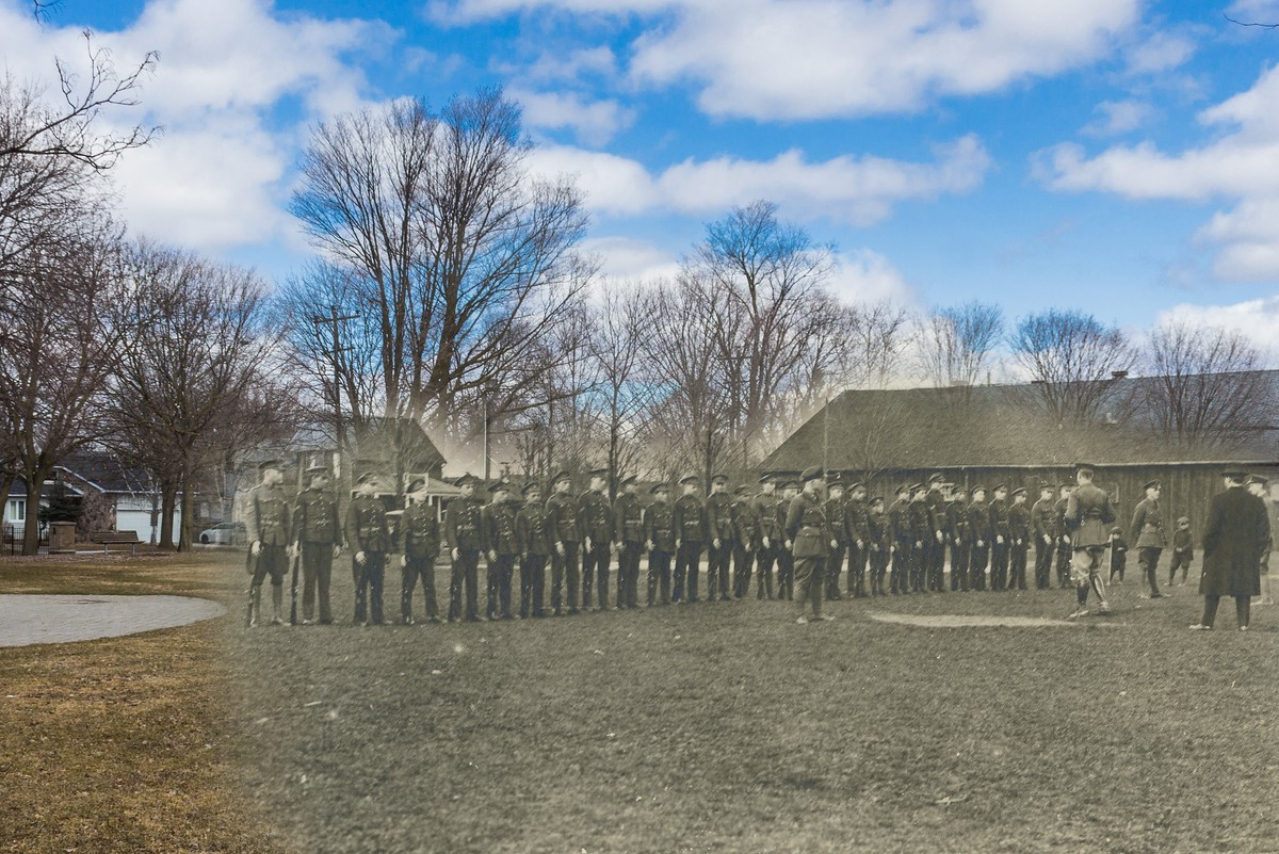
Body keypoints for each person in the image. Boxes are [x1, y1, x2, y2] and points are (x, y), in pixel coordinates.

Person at [1191, 471, 1270, 631]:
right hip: (1246, 553)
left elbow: (1210, 529)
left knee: (1213, 587)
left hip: (1220, 553)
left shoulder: (1219, 499)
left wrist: (1209, 548)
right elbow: (1264, 531)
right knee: (1244, 586)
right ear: (1243, 480)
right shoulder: (1256, 501)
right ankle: (1243, 624)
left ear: (1228, 480)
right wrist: (1256, 552)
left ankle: (1206, 622)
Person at [1064, 463, 1115, 619]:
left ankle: (1082, 607)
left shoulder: (1075, 493)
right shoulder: (1102, 493)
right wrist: (1098, 521)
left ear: (1079, 476)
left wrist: (1073, 526)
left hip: (1083, 535)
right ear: (1091, 477)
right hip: (1099, 536)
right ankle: (1104, 603)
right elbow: (1112, 516)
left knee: (1082, 573)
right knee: (1095, 572)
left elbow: (1071, 516)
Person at [291, 464, 341, 625]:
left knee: (325, 581)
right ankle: (308, 616)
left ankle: (326, 616)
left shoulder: (330, 497)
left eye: (326, 478)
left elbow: (336, 520)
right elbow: (298, 521)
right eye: (322, 478)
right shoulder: (303, 497)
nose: (325, 481)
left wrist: (338, 543)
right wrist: (296, 542)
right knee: (310, 579)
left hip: (326, 543)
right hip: (310, 543)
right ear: (313, 479)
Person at [787, 466, 836, 624]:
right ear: (812, 481)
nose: (823, 483)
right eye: (821, 480)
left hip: (821, 545)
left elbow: (824, 523)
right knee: (802, 580)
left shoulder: (819, 500)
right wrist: (801, 539)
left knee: (819, 580)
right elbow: (790, 526)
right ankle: (799, 614)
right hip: (805, 546)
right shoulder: (798, 500)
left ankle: (818, 612)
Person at [246, 460, 292, 628]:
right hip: (263, 542)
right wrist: (255, 541)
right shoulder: (255, 493)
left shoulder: (282, 494)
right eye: (278, 472)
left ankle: (277, 616)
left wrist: (288, 543)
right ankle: (255, 618)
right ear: (268, 472)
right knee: (257, 579)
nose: (281, 475)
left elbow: (288, 520)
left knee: (278, 578)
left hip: (279, 542)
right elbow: (250, 519)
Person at [346, 470, 391, 626]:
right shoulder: (355, 504)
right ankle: (360, 617)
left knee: (377, 585)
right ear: (363, 485)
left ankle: (378, 617)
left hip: (378, 549)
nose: (375, 487)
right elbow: (350, 529)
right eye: (372, 484)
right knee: (360, 585)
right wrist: (357, 551)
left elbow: (385, 528)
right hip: (363, 550)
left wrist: (387, 550)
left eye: (375, 484)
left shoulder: (379, 504)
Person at [399, 477, 441, 625]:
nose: (423, 494)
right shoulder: (408, 512)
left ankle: (433, 614)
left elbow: (436, 533)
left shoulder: (432, 510)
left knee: (430, 585)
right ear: (412, 494)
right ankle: (407, 615)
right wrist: (403, 554)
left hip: (428, 553)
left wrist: (437, 552)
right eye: (420, 491)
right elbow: (403, 534)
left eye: (425, 491)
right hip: (412, 553)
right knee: (408, 586)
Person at [444, 473, 485, 622]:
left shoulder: (476, 506)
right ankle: (454, 613)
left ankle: (472, 613)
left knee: (472, 581)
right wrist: (453, 547)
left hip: (473, 547)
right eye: (467, 487)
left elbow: (479, 528)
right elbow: (449, 528)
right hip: (460, 548)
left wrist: (480, 547)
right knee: (457, 581)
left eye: (472, 487)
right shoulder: (453, 506)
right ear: (460, 489)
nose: (470, 490)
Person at [546, 471, 581, 616]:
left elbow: (577, 523)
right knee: (558, 574)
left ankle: (572, 604)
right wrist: (557, 543)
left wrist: (578, 541)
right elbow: (551, 526)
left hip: (572, 539)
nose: (567, 486)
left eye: (569, 483)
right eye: (564, 483)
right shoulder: (552, 502)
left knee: (573, 574)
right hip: (560, 542)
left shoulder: (573, 501)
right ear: (556, 485)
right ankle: (556, 605)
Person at [482, 482, 519, 620]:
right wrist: (489, 550)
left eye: (506, 493)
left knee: (506, 581)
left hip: (508, 549)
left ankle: (505, 610)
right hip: (496, 549)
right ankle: (491, 611)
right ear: (494, 494)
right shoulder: (488, 510)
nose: (505, 496)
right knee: (493, 581)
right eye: (502, 493)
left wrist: (515, 550)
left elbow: (513, 531)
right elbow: (486, 533)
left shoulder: (509, 510)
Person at [579, 468, 613, 610]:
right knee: (588, 572)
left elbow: (610, 520)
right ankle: (587, 603)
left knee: (604, 572)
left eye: (604, 480)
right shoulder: (584, 498)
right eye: (600, 480)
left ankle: (603, 603)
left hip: (604, 539)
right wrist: (586, 539)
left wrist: (611, 540)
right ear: (593, 480)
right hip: (591, 539)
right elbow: (583, 520)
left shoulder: (606, 499)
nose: (603, 483)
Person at [514, 482, 550, 618]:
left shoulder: (543, 512)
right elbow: (520, 534)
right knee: (526, 582)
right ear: (526, 497)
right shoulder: (522, 514)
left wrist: (547, 552)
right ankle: (524, 610)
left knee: (539, 581)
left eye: (538, 495)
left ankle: (537, 609)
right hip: (529, 551)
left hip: (541, 550)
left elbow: (547, 532)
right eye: (533, 495)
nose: (537, 498)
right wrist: (523, 551)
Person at [1131, 480, 1167, 600]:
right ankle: (1142, 592)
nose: (1158, 492)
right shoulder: (1142, 506)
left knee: (1153, 566)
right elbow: (1135, 525)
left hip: (1157, 539)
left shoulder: (1157, 505)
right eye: (1156, 490)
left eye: (1159, 490)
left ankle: (1155, 592)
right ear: (1149, 491)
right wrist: (1140, 538)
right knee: (1144, 566)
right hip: (1146, 539)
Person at [673, 475, 705, 603]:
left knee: (694, 568)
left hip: (695, 540)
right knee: (680, 569)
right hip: (685, 540)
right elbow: (677, 523)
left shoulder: (698, 503)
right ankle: (678, 595)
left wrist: (702, 540)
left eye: (695, 487)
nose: (694, 489)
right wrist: (678, 537)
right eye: (692, 486)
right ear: (685, 486)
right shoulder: (679, 503)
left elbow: (701, 522)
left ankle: (693, 594)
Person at [613, 475, 644, 609]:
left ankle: (632, 600)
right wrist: (619, 540)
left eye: (637, 485)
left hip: (636, 539)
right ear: (627, 486)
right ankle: (622, 601)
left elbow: (639, 522)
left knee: (634, 571)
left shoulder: (636, 501)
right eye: (634, 485)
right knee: (624, 571)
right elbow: (619, 522)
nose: (637, 487)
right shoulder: (620, 501)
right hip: (626, 539)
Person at [644, 483, 675, 605]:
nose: (665, 496)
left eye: (666, 493)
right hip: (656, 544)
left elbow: (671, 526)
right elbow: (648, 527)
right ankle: (650, 599)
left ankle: (665, 597)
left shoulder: (669, 509)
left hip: (667, 543)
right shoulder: (650, 510)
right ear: (655, 495)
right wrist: (649, 540)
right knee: (653, 572)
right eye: (662, 493)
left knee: (666, 572)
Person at [705, 474, 734, 602]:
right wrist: (714, 537)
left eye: (723, 484)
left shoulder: (728, 498)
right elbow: (711, 520)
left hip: (727, 535)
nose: (721, 487)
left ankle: (724, 592)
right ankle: (711, 593)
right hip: (717, 536)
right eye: (718, 484)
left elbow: (730, 517)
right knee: (713, 565)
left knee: (725, 564)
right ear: (714, 485)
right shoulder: (711, 500)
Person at [1247, 475, 1275, 606]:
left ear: (1259, 485)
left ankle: (1266, 599)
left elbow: (1269, 523)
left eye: (1251, 486)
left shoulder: (1265, 501)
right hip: (1261, 539)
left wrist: (1263, 542)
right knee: (1260, 567)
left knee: (1261, 567)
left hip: (1264, 540)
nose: (1249, 489)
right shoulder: (1261, 500)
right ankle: (1265, 597)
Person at [753, 474, 781, 600]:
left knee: (770, 564)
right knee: (761, 564)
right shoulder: (758, 500)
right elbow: (758, 521)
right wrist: (764, 536)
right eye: (769, 484)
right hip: (762, 535)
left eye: (773, 484)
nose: (772, 486)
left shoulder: (775, 500)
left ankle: (769, 592)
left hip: (774, 535)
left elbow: (777, 520)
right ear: (763, 485)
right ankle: (760, 591)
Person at [730, 485, 760, 599]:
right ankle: (737, 591)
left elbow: (755, 525)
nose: (746, 498)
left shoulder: (750, 509)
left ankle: (744, 590)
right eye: (743, 496)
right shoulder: (734, 509)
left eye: (748, 496)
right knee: (739, 567)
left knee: (748, 566)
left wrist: (753, 542)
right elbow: (740, 527)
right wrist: (746, 542)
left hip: (751, 541)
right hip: (739, 542)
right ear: (737, 497)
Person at [843, 481, 870, 598]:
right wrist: (857, 539)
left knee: (862, 565)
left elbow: (867, 523)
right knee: (853, 565)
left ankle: (861, 589)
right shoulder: (848, 506)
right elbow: (850, 525)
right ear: (852, 493)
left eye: (863, 492)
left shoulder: (863, 506)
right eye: (859, 492)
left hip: (865, 539)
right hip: (855, 541)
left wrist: (868, 539)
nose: (862, 495)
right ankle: (850, 590)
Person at [775, 479, 799, 600]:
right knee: (783, 565)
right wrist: (786, 540)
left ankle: (791, 593)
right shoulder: (779, 506)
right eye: (790, 491)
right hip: (784, 540)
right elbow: (780, 525)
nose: (792, 493)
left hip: (797, 539)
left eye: (794, 491)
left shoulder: (798, 505)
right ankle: (781, 588)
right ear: (783, 492)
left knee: (794, 567)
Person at [823, 478, 847, 600]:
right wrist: (831, 539)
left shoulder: (841, 506)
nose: (840, 494)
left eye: (841, 492)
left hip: (841, 538)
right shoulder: (826, 506)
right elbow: (827, 524)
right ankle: (827, 592)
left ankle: (835, 590)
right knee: (829, 565)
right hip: (831, 540)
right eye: (838, 491)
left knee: (838, 566)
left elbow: (843, 523)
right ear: (831, 492)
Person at [1031, 485, 1056, 590]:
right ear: (1042, 492)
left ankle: (1046, 583)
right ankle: (1040, 584)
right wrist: (1045, 535)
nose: (1049, 494)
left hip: (1051, 535)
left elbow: (1053, 520)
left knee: (1048, 559)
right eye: (1047, 492)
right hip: (1042, 537)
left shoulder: (1051, 505)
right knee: (1041, 559)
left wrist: (1054, 535)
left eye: (1051, 493)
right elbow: (1038, 523)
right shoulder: (1037, 506)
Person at [887, 484, 911, 594]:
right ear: (900, 494)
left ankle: (904, 586)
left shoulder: (907, 506)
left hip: (906, 537)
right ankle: (894, 587)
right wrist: (893, 541)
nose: (908, 496)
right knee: (897, 562)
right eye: (906, 494)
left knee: (905, 562)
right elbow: (891, 526)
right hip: (898, 538)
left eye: (908, 494)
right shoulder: (894, 507)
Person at [966, 485, 990, 592]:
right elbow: (974, 525)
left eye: (983, 494)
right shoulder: (972, 508)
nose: (982, 496)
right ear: (974, 495)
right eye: (980, 494)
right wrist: (978, 538)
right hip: (977, 537)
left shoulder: (984, 507)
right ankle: (974, 585)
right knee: (976, 561)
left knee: (983, 561)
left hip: (985, 536)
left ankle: (981, 584)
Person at [946, 486, 969, 592]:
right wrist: (956, 537)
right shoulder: (950, 508)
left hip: (965, 537)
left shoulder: (964, 507)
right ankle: (954, 585)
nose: (963, 496)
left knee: (964, 562)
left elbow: (966, 523)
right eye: (961, 493)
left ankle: (964, 586)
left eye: (964, 494)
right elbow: (952, 524)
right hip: (956, 538)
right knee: (955, 562)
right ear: (955, 495)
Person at [988, 483, 1011, 591]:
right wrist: (998, 535)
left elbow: (1007, 522)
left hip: (1005, 534)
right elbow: (993, 523)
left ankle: (1002, 584)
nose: (1003, 494)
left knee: (1004, 560)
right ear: (995, 493)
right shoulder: (992, 506)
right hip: (998, 536)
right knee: (996, 560)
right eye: (1001, 492)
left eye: (1004, 492)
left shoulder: (1004, 505)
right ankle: (994, 584)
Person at [1007, 487, 1030, 591]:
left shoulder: (1025, 510)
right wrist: (1017, 537)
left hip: (1024, 538)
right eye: (1022, 496)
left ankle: (1022, 584)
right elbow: (1013, 525)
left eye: (1025, 497)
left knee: (1023, 562)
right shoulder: (1012, 509)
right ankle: (1011, 583)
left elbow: (1026, 526)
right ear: (1017, 497)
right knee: (1015, 561)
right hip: (1017, 538)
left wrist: (1027, 539)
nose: (1024, 499)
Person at [867, 496, 890, 596]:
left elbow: (890, 531)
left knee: (884, 566)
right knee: (874, 566)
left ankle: (881, 587)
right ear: (873, 507)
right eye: (878, 506)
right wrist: (872, 543)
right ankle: (873, 588)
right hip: (876, 545)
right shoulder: (871, 518)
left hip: (885, 545)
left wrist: (891, 543)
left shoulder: (887, 517)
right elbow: (869, 532)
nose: (881, 508)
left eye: (882, 506)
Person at [1054, 483, 1074, 589]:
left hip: (1071, 534)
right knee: (1062, 558)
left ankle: (1068, 581)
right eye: (1066, 491)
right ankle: (1061, 581)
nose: (1068, 493)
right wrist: (1063, 535)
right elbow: (1058, 523)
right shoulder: (1058, 505)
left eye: (1070, 491)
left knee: (1069, 559)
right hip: (1063, 535)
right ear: (1061, 492)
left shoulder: (1073, 504)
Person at [1168, 516, 1193, 587]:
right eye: (1181, 524)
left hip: (1186, 554)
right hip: (1176, 553)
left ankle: (1183, 582)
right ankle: (1170, 581)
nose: (1182, 526)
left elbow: (1190, 544)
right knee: (1172, 566)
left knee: (1185, 567)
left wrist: (1182, 549)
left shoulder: (1189, 533)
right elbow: (1173, 541)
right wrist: (1176, 548)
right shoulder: (1176, 532)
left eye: (1184, 524)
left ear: (1188, 524)